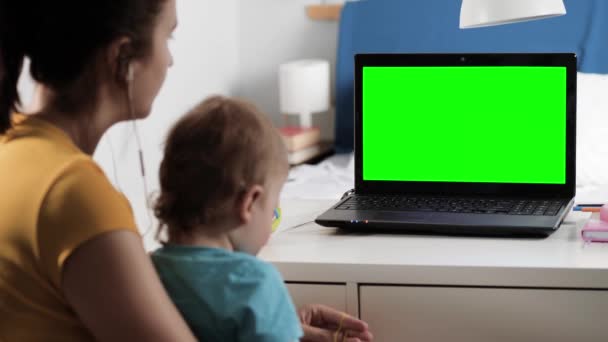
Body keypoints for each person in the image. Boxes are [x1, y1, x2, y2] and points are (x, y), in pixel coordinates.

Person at [0, 1, 371, 341]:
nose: (170, 60)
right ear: (122, 57)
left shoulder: (13, 149)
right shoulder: (76, 195)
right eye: (169, 36)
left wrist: (278, 326)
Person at [151, 96, 373, 342]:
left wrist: (286, 326)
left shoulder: (148, 272)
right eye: (273, 206)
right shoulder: (255, 284)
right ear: (249, 203)